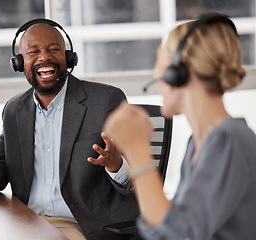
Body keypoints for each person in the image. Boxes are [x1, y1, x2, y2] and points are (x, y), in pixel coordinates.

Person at [0, 19, 139, 240]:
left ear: (68, 58)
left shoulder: (106, 100)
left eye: (54, 49)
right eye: (33, 52)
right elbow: (0, 167)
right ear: (19, 63)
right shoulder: (15, 110)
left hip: (82, 223)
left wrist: (116, 165)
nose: (44, 57)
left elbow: (139, 179)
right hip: (26, 220)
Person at [103, 13, 256, 240]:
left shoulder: (230, 140)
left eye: (160, 61)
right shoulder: (197, 143)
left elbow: (181, 232)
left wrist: (137, 149)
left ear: (180, 71)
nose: (155, 74)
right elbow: (163, 228)